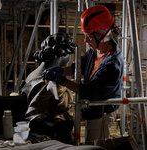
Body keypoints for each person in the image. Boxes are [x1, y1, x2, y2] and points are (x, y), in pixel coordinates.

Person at [42, 5, 124, 142]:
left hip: (102, 113)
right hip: (92, 109)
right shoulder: (95, 50)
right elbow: (79, 67)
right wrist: (61, 70)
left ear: (102, 34)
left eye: (89, 37)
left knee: (96, 145)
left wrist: (62, 80)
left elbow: (88, 91)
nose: (85, 41)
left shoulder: (112, 64)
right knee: (89, 141)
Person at [20, 33, 77, 144]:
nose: (70, 58)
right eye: (69, 54)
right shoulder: (51, 80)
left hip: (33, 132)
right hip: (49, 139)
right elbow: (35, 116)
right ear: (62, 54)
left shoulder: (33, 74)